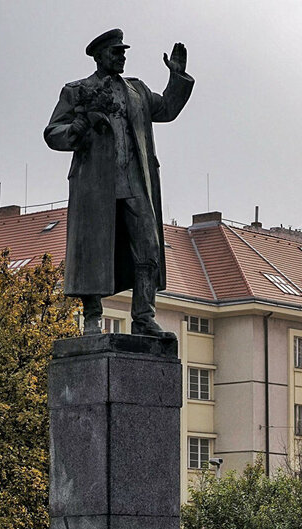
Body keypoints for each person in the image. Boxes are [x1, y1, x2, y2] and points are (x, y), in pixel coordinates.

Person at [44, 29, 194, 337]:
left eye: (123, 52)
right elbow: (52, 132)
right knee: (93, 251)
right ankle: (92, 317)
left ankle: (143, 317)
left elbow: (166, 109)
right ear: (100, 56)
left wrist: (177, 78)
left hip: (135, 181)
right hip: (95, 185)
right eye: (116, 52)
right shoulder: (77, 91)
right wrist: (78, 126)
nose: (122, 56)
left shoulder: (136, 90)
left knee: (149, 247)